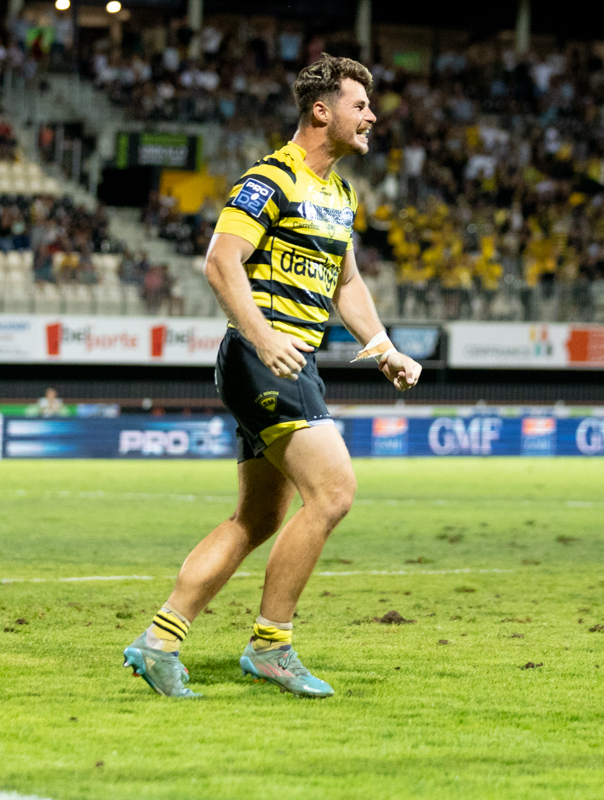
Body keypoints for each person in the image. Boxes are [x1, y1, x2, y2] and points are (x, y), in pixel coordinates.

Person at [123, 56, 422, 699]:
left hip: (291, 359)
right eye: (360, 105)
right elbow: (220, 260)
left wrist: (381, 345)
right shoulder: (270, 179)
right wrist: (263, 336)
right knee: (334, 491)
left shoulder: (340, 194)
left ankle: (160, 640)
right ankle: (271, 647)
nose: (371, 117)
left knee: (256, 519)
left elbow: (347, 282)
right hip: (262, 356)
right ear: (323, 111)